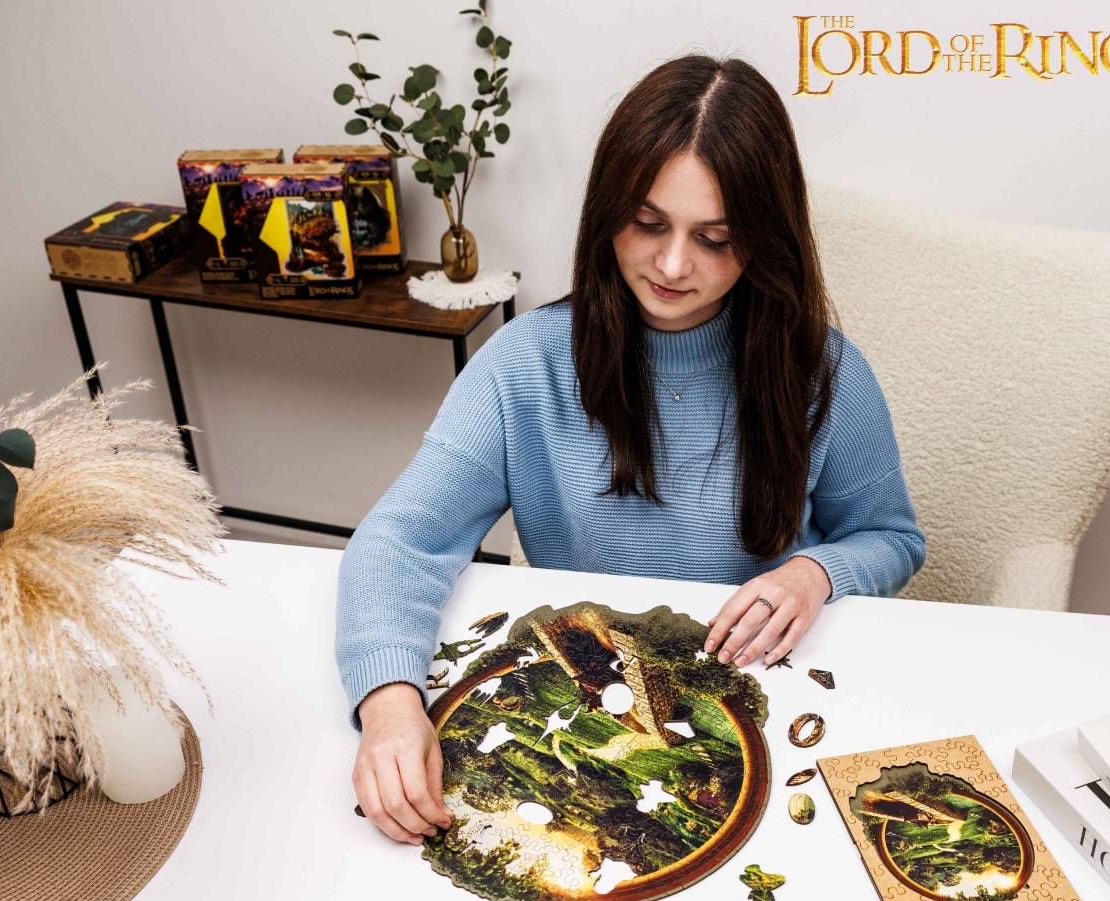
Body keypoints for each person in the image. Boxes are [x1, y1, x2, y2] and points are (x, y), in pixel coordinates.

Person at [336, 55, 925, 845]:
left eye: (716, 239)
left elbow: (891, 539)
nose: (674, 265)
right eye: (648, 225)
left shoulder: (825, 370)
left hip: (770, 714)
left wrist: (817, 573)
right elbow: (399, 540)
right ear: (607, 212)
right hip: (586, 723)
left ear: (764, 238)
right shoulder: (524, 364)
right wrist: (389, 706)